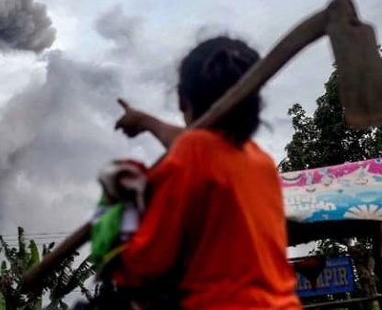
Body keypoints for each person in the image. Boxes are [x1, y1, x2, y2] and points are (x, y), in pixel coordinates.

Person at [111, 36, 301, 309]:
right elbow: (199, 146)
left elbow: (145, 266)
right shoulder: (261, 161)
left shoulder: (194, 151)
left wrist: (114, 215)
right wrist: (144, 121)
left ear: (180, 100)